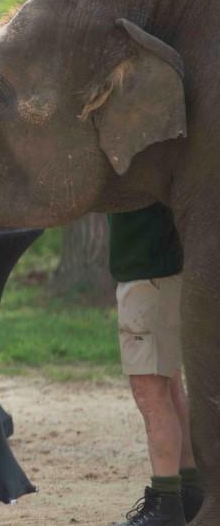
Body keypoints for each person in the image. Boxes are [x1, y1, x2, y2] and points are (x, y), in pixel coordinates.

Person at [110, 204, 202, 526]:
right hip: (157, 271)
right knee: (169, 382)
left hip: (148, 273)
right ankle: (189, 489)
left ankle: (166, 502)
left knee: (149, 390)